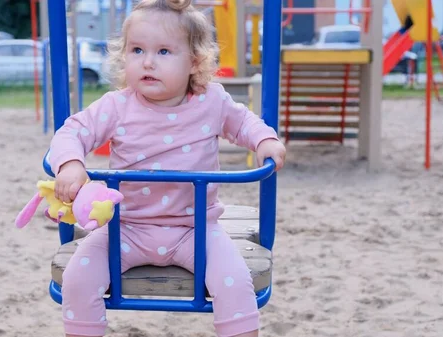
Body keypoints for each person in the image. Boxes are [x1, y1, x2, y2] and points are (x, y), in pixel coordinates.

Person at [48, 0, 286, 336]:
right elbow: (72, 131)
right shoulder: (116, 106)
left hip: (196, 229)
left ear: (194, 62)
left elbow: (244, 122)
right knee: (77, 278)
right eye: (136, 50)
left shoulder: (212, 101)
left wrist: (265, 141)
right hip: (124, 228)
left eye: (163, 52)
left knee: (235, 283)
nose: (147, 61)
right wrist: (71, 164)